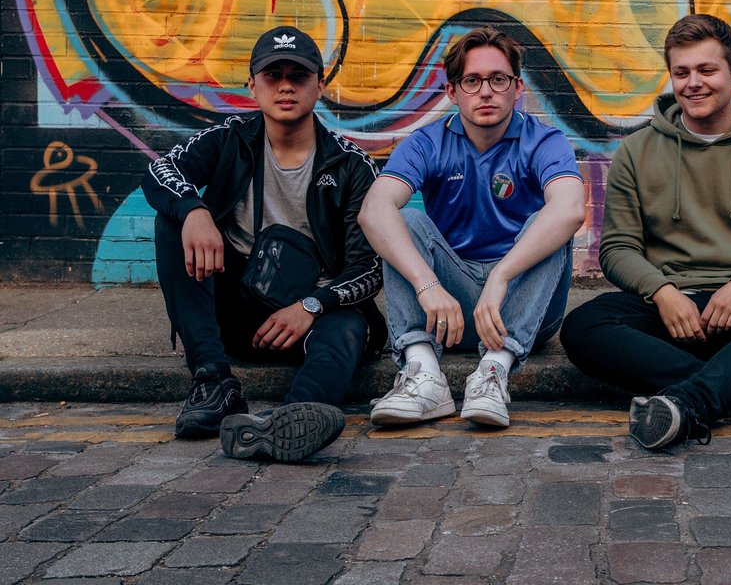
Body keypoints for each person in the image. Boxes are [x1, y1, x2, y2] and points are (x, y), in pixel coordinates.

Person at [560, 14, 731, 451]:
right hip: (669, 308)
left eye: (707, 70)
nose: (693, 83)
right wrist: (662, 293)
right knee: (583, 326)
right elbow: (619, 249)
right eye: (681, 72)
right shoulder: (637, 152)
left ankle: (689, 401)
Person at [143, 26, 386, 462]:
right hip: (239, 310)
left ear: (320, 85)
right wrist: (194, 211)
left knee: (349, 327)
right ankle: (214, 384)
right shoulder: (230, 139)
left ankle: (290, 421)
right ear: (253, 85)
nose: (287, 85)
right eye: (274, 75)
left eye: (300, 75)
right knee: (172, 221)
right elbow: (161, 171)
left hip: (313, 316)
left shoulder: (351, 166)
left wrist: (312, 305)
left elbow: (369, 270)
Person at [359, 25, 584, 429]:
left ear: (517, 88)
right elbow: (374, 211)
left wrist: (501, 275)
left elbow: (569, 209)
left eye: (498, 79)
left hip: (526, 307)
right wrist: (428, 285)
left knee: (547, 221)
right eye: (473, 80)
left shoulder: (544, 141)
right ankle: (424, 375)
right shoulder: (426, 142)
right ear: (453, 92)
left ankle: (495, 372)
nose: (485, 91)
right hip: (451, 309)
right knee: (403, 220)